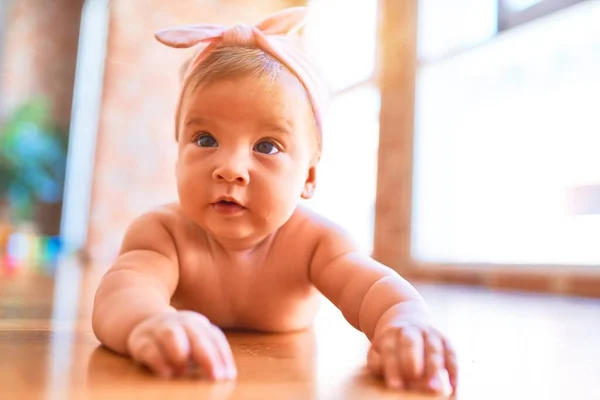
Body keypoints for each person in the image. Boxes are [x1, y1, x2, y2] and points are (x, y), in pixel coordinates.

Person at [91, 7, 457, 395]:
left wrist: (405, 322)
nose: (230, 168)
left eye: (266, 146)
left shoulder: (316, 243)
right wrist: (147, 323)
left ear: (309, 177)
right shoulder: (163, 233)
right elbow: (122, 293)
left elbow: (374, 289)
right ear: (178, 152)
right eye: (205, 139)